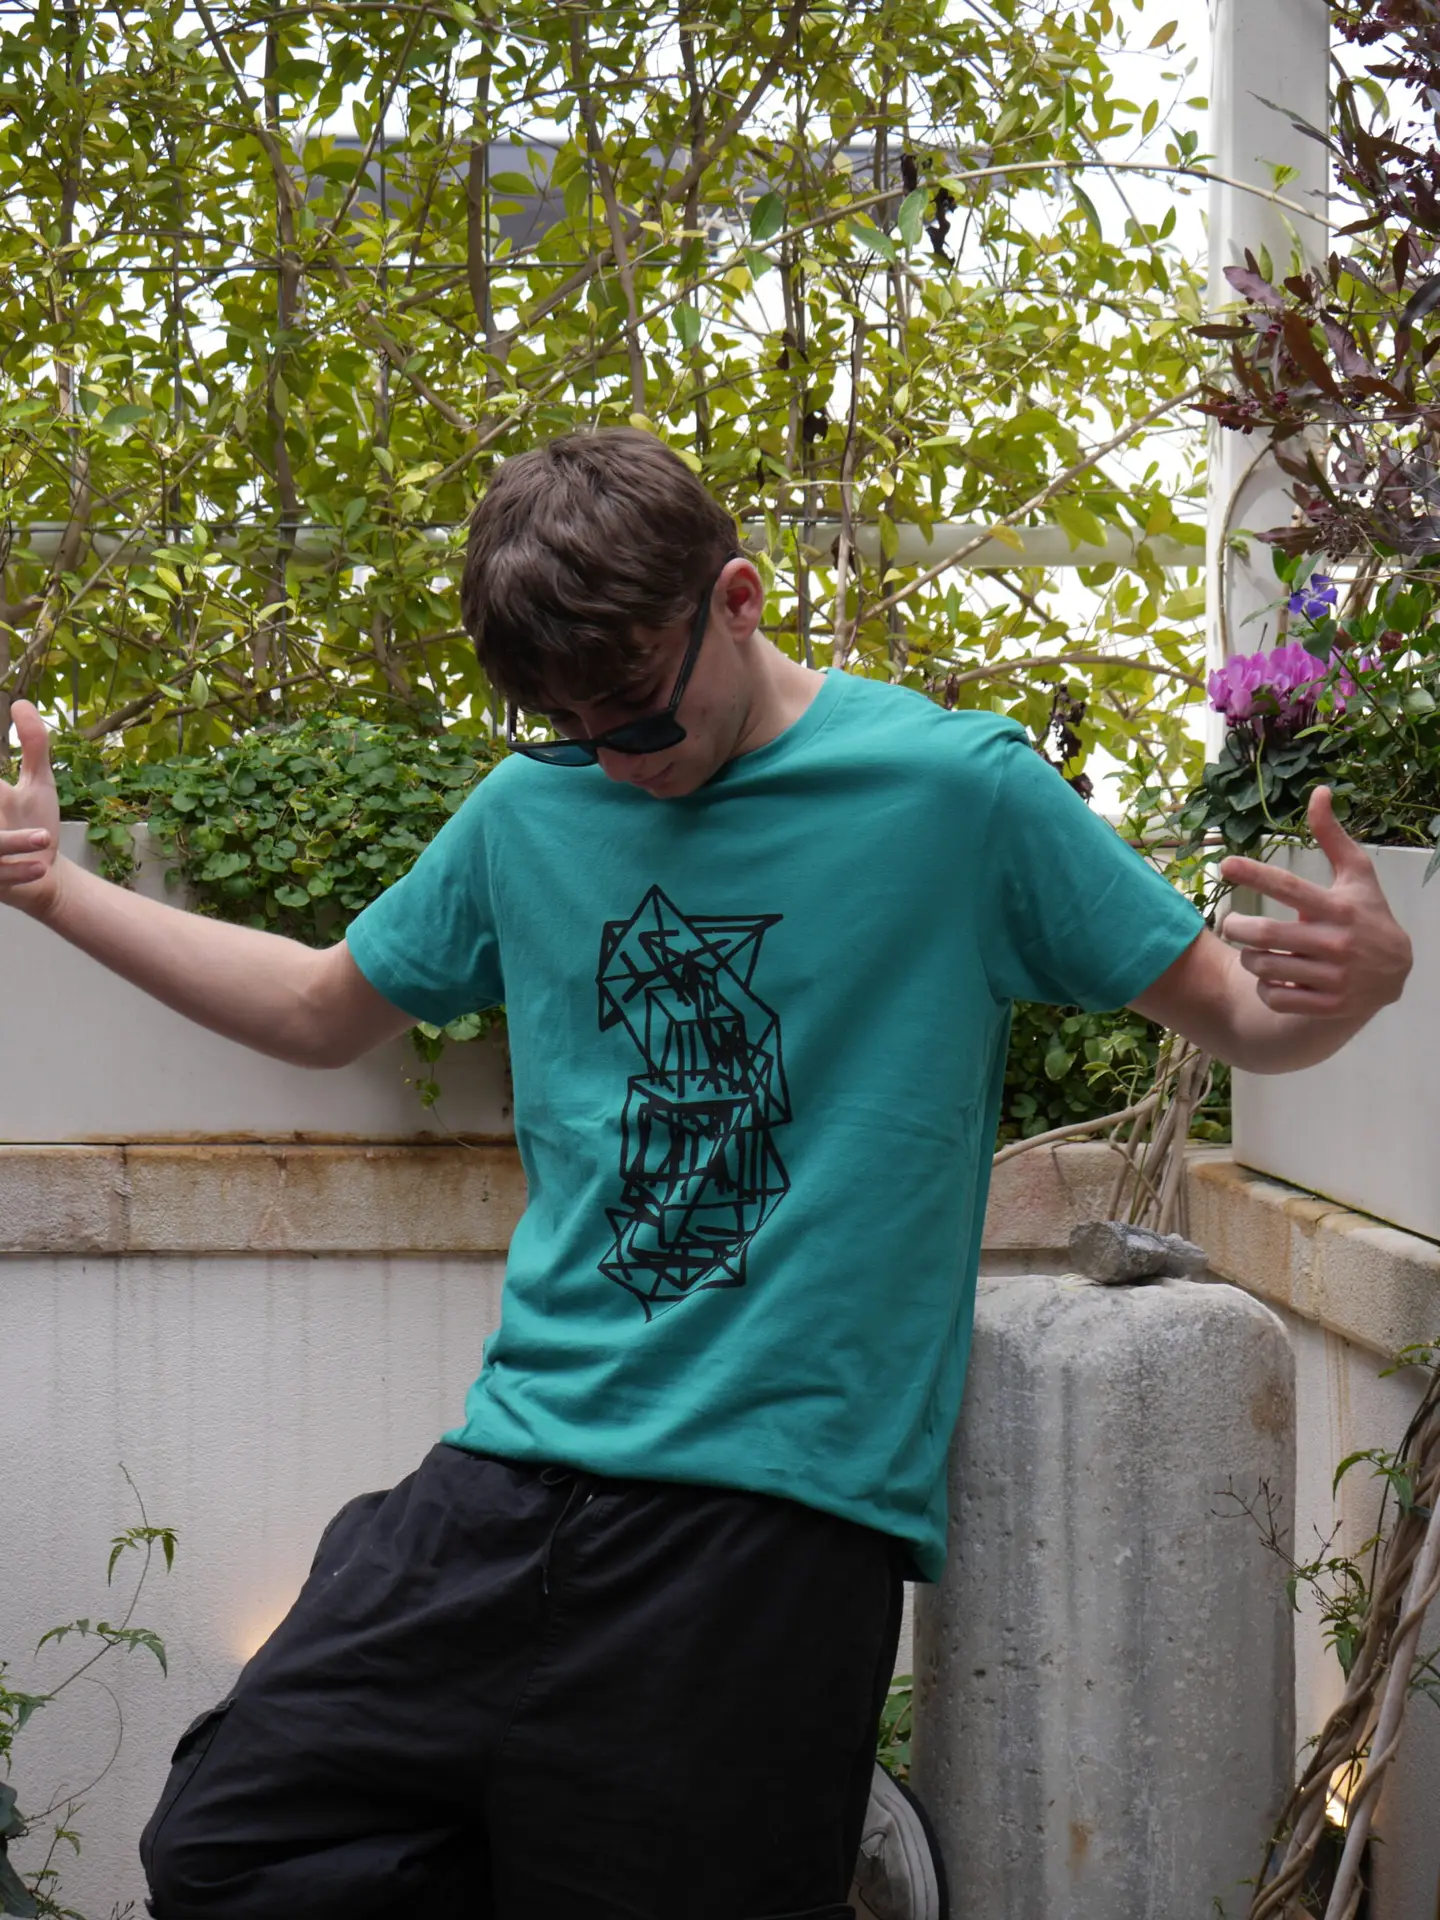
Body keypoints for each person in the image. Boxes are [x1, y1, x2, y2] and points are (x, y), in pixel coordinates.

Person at [0, 429, 1412, 1920]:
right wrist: (53, 890)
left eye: (633, 712)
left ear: (735, 601)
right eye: (564, 726)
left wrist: (1362, 988)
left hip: (773, 1515)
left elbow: (1242, 1016)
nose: (612, 757)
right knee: (232, 1845)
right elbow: (316, 1007)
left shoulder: (954, 794)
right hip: (515, 1469)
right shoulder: (533, 808)